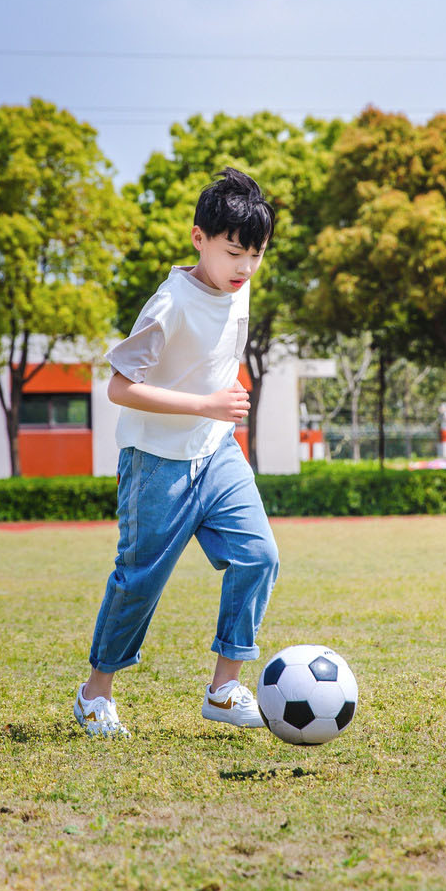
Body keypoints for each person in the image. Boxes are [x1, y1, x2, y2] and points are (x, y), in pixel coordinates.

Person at [74, 166, 280, 736]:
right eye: (233, 251)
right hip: (155, 463)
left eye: (256, 255)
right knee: (139, 580)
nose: (244, 267)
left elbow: (222, 352)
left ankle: (223, 687)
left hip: (217, 453)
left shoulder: (239, 290)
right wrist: (205, 404)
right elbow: (119, 387)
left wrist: (225, 397)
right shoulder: (168, 303)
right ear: (199, 239)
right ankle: (96, 693)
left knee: (259, 556)